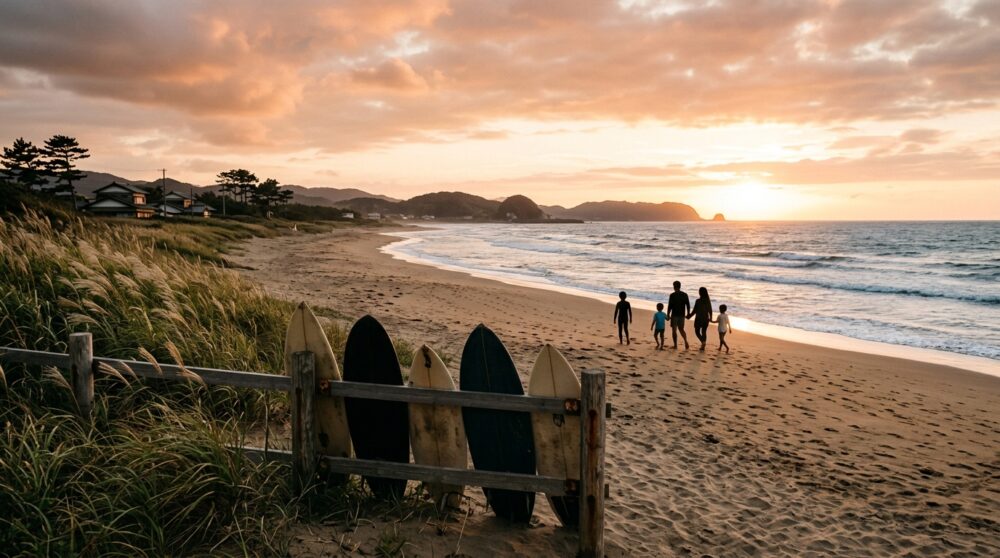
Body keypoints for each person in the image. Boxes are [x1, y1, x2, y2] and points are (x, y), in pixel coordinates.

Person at [666, 281, 690, 349]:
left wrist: (668, 314)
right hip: (682, 315)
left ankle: (675, 345)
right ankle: (685, 341)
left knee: (674, 330)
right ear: (680, 286)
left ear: (674, 286)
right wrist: (688, 313)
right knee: (681, 329)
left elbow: (670, 306)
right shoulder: (685, 294)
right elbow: (688, 305)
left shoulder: (672, 295)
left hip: (674, 315)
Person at [687, 287, 713, 351]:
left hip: (699, 318)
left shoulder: (698, 301)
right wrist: (711, 318)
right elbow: (710, 310)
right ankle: (703, 344)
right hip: (706, 318)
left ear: (700, 293)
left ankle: (703, 342)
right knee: (704, 331)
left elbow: (694, 310)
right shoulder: (708, 301)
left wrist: (689, 316)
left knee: (697, 331)